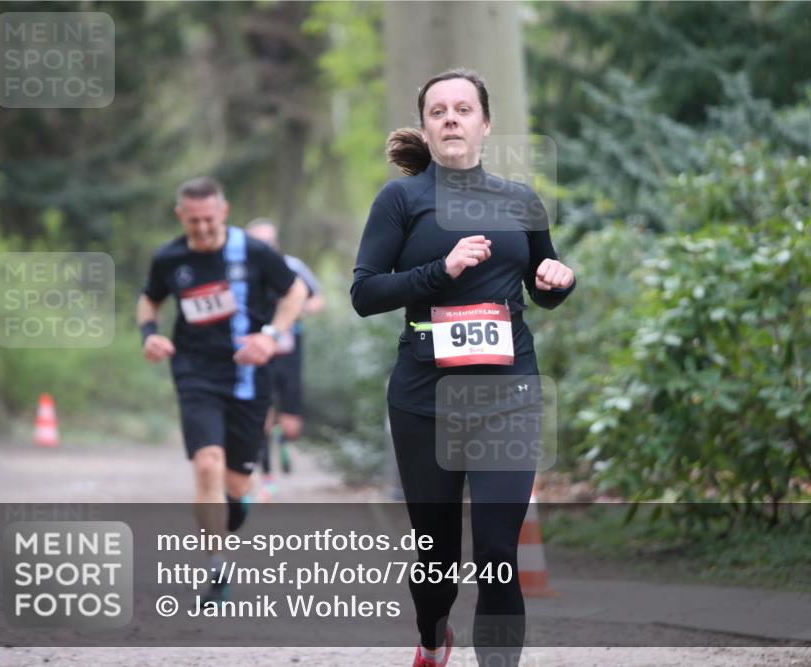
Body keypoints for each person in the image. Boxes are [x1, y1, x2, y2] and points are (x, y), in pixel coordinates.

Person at [350, 69, 575, 667]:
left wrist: (559, 281)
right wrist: (438, 271)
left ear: (485, 123)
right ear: (426, 127)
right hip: (426, 397)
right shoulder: (401, 200)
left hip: (508, 393)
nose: (451, 118)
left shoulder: (520, 201)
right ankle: (432, 637)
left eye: (463, 109)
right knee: (437, 561)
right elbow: (365, 294)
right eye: (439, 111)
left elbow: (541, 278)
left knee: (499, 552)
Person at [138, 176, 308, 604]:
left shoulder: (251, 251)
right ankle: (216, 571)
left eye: (209, 219)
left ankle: (236, 503)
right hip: (195, 373)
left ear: (224, 212)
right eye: (193, 221)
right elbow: (150, 299)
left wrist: (270, 335)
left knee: (236, 483)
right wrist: (149, 334)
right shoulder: (170, 257)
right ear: (181, 217)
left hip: (249, 376)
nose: (202, 229)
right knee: (208, 466)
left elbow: (296, 292)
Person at [245, 218, 326, 499]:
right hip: (258, 353)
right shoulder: (241, 271)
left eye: (267, 243)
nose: (262, 249)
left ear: (276, 244)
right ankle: (266, 479)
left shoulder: (292, 267)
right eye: (256, 243)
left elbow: (318, 300)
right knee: (261, 418)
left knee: (291, 425)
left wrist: (295, 311)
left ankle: (283, 438)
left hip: (290, 352)